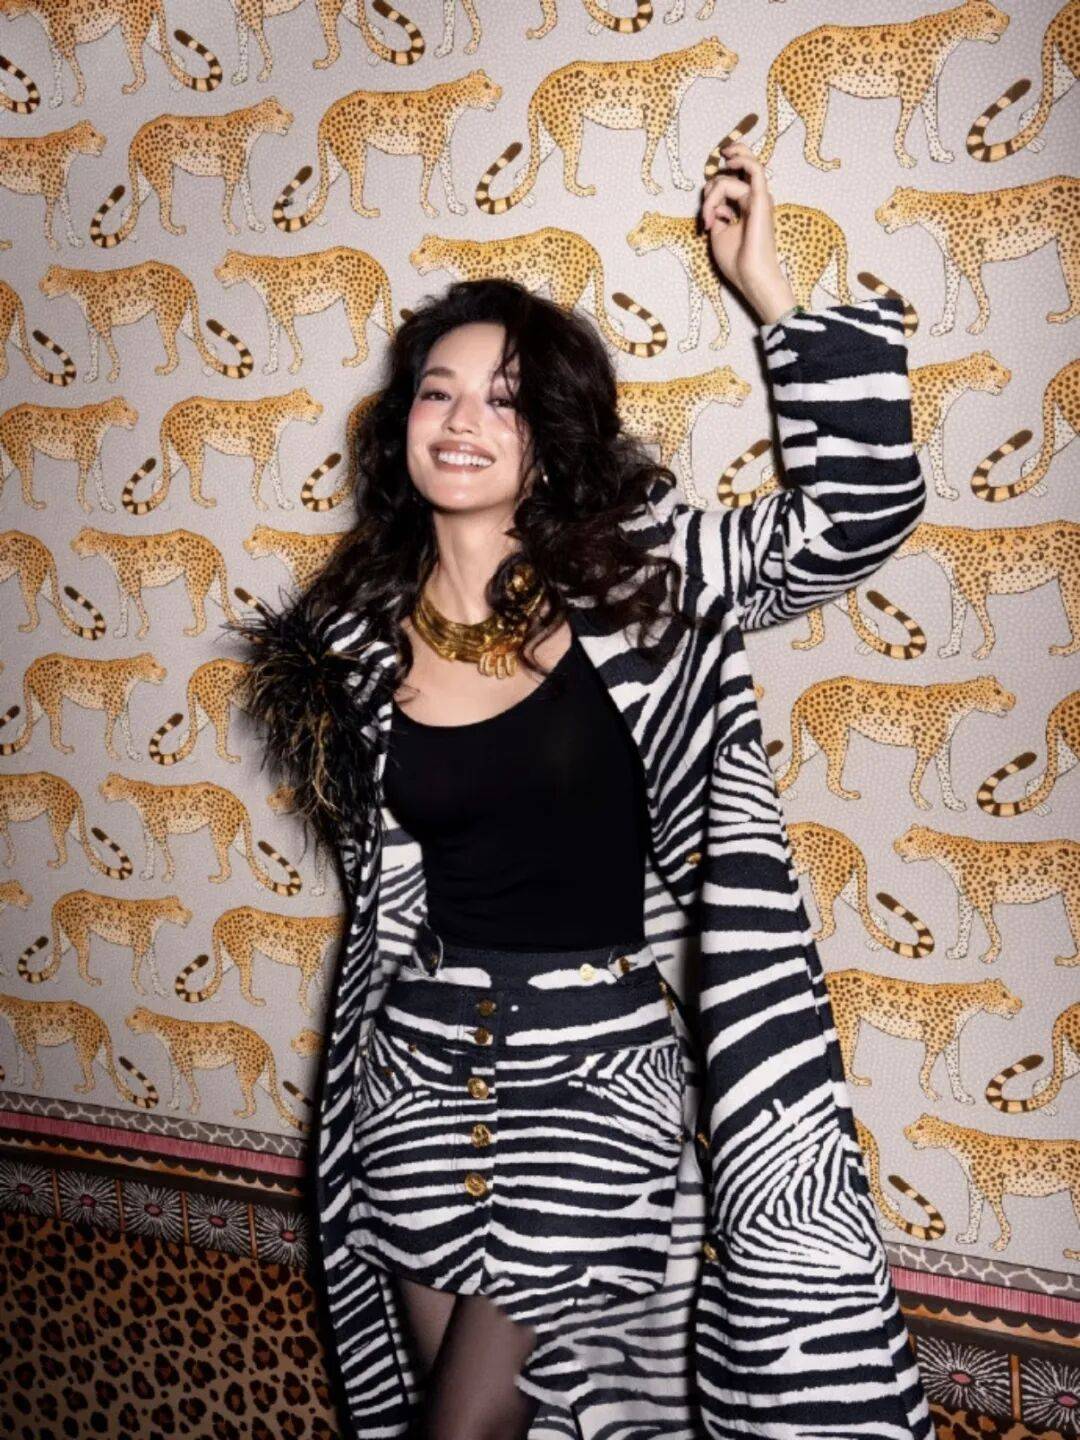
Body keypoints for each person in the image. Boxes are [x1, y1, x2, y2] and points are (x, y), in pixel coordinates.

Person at [230, 142, 932, 1440]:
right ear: (403, 424)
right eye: (437, 392)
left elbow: (855, 518)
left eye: (502, 400)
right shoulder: (349, 639)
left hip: (597, 1076)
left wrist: (769, 292)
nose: (461, 421)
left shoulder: (638, 583)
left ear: (548, 441)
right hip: (416, 1078)